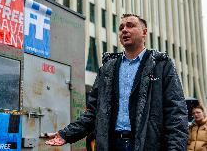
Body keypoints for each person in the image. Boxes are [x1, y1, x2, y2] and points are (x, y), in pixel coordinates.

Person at [45, 14, 188, 151]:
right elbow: (93, 112)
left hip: (147, 145)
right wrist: (66, 134)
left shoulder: (161, 65)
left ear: (144, 32)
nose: (124, 30)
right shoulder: (108, 68)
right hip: (111, 144)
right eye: (121, 28)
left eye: (130, 26)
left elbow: (176, 113)